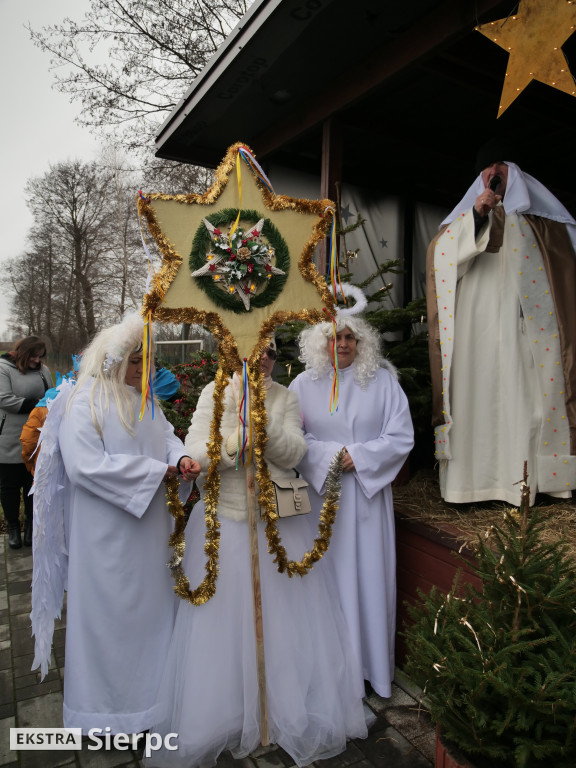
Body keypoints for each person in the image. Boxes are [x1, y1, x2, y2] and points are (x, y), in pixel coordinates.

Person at [146, 339, 369, 768]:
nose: (261, 359)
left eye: (268, 352)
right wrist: (233, 443)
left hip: (278, 525)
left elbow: (298, 452)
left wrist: (263, 433)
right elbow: (195, 451)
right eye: (254, 350)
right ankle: (228, 707)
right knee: (225, 621)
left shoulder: (285, 396)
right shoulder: (214, 394)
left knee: (283, 619)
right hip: (226, 525)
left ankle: (279, 704)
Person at [30, 313, 200, 735]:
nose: (143, 369)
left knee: (152, 617)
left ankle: (153, 707)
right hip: (105, 537)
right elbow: (86, 466)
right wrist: (153, 473)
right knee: (109, 623)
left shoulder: (144, 399)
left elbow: (165, 438)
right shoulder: (83, 399)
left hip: (149, 534)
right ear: (113, 358)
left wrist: (179, 460)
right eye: (135, 361)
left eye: (148, 361)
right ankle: (105, 715)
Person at [426, 146, 576, 505]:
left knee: (526, 406)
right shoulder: (462, 222)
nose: (494, 174)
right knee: (475, 400)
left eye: (500, 168)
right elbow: (441, 263)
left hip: (527, 337)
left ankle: (527, 485)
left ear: (515, 173)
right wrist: (478, 217)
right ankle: (474, 486)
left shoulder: (545, 224)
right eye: (487, 170)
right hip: (475, 335)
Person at [289, 317, 414, 699]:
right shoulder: (302, 385)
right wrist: (330, 456)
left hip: (367, 500)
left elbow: (400, 436)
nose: (342, 344)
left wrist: (358, 457)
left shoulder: (383, 383)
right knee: (325, 580)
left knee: (368, 578)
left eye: (350, 338)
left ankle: (370, 668)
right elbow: (293, 436)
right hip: (321, 501)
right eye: (334, 337)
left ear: (362, 343)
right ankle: (328, 669)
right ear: (320, 343)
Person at [0, 335, 52, 548]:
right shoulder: (3, 368)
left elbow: (50, 393)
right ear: (23, 353)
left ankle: (31, 527)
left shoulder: (43, 370)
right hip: (9, 437)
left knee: (33, 485)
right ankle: (13, 527)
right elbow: (3, 398)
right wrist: (35, 405)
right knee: (9, 487)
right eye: (33, 356)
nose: (37, 361)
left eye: (40, 357)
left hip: (36, 438)